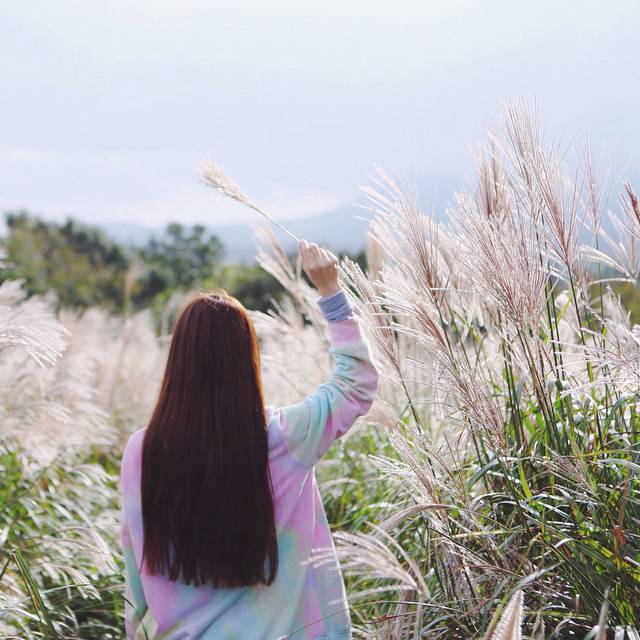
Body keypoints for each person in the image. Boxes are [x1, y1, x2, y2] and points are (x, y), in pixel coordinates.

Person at [119, 239, 379, 639]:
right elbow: (356, 382)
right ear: (247, 361)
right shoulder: (286, 438)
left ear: (178, 363)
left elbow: (136, 560)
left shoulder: (143, 451)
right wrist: (330, 291)